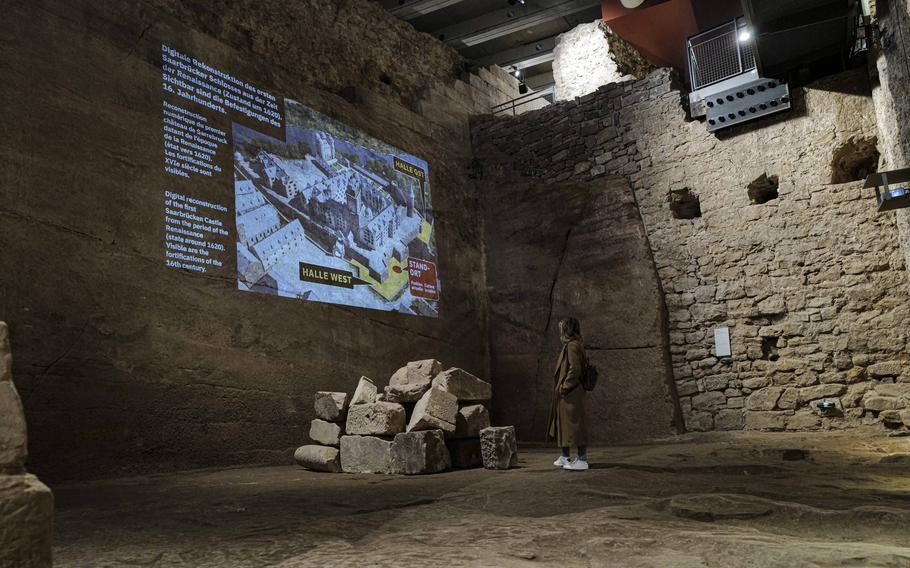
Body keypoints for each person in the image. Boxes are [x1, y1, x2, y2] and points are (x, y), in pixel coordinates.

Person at [547, 316, 590, 471]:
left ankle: (582, 459)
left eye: (562, 328)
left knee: (575, 425)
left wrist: (565, 386)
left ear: (567, 329)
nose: (560, 331)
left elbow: (575, 369)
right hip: (570, 393)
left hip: (572, 393)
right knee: (565, 424)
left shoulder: (572, 346)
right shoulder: (573, 344)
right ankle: (565, 456)